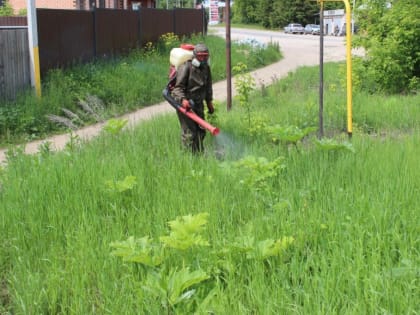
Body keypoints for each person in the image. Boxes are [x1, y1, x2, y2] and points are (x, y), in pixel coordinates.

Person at [171, 43, 214, 153]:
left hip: (198, 104)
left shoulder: (206, 68)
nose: (203, 59)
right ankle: (188, 157)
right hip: (185, 105)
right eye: (201, 56)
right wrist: (183, 100)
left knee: (201, 130)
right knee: (190, 133)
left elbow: (208, 87)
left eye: (206, 56)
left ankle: (199, 153)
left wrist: (209, 102)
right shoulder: (186, 67)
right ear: (195, 56)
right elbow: (177, 89)